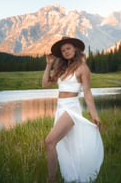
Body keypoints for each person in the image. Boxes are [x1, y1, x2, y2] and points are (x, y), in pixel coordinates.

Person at [42, 37, 104, 183]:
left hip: (71, 109)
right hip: (60, 108)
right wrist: (49, 65)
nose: (66, 52)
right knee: (67, 145)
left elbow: (87, 93)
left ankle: (50, 179)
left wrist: (95, 116)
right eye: (63, 50)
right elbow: (45, 84)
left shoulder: (82, 68)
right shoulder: (61, 69)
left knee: (50, 141)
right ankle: (71, 175)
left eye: (68, 48)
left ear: (75, 48)